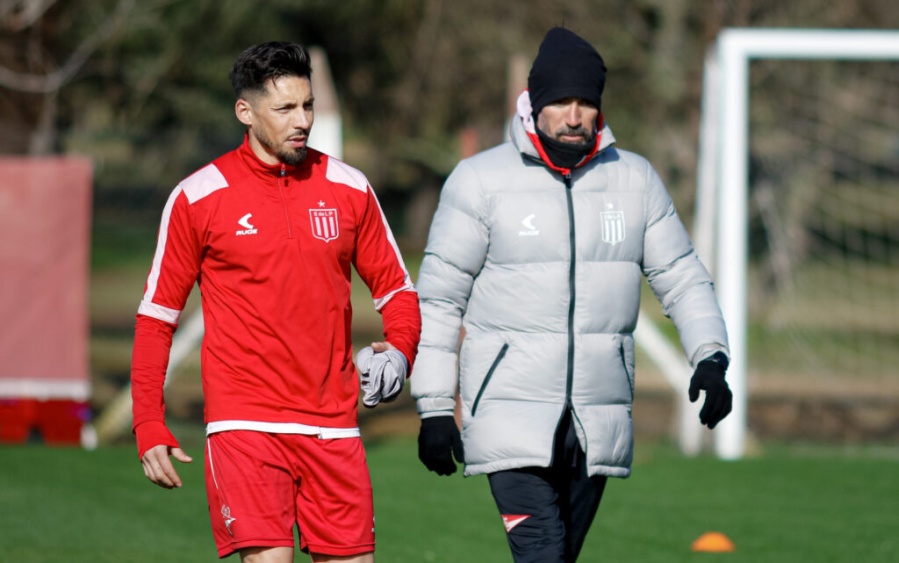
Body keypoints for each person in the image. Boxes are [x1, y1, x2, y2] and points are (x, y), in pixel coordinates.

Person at [411, 27, 732, 562]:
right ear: (535, 104)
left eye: (586, 102)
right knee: (542, 555)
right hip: (508, 416)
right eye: (561, 101)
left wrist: (711, 355)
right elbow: (440, 301)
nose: (575, 114)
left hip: (596, 422)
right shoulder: (478, 182)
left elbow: (682, 276)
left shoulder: (636, 181)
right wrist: (435, 407)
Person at [130, 41, 421, 563]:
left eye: (306, 105)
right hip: (245, 424)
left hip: (334, 422)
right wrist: (148, 421)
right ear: (245, 111)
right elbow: (157, 318)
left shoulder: (349, 188)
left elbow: (398, 291)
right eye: (285, 108)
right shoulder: (199, 196)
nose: (302, 120)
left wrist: (401, 351)